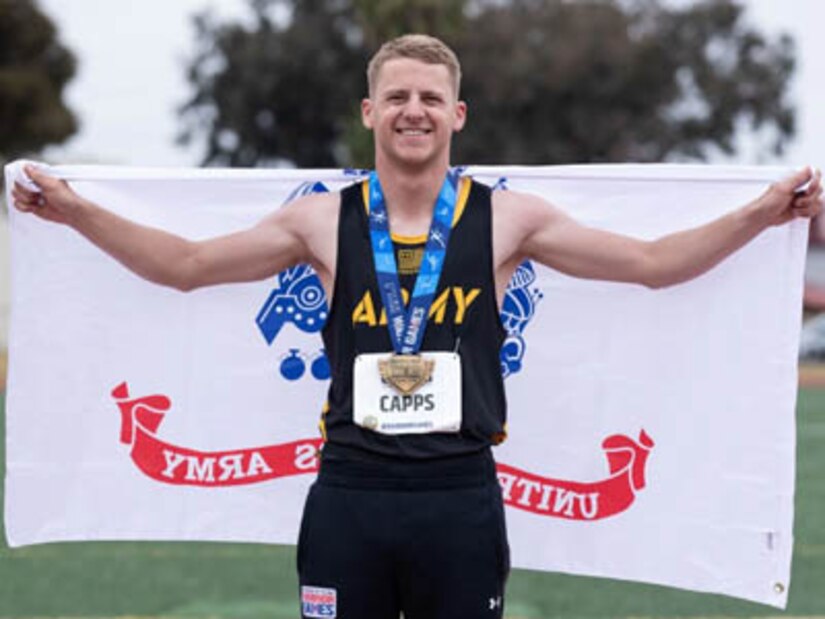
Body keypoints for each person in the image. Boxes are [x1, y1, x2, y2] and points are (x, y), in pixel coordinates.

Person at [11, 34, 823, 619]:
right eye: (396, 95)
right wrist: (76, 212)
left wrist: (758, 215)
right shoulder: (319, 223)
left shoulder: (507, 220)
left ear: (457, 114)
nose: (413, 110)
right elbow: (185, 265)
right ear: (369, 110)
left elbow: (650, 263)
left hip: (458, 498)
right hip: (350, 495)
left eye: (430, 97)